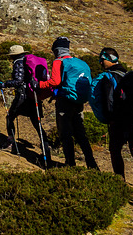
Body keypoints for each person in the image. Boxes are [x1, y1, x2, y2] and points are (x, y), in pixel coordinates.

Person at [97, 47, 133, 194]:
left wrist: (109, 118)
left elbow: (109, 100)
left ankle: (119, 183)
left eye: (102, 60)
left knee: (115, 151)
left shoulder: (108, 77)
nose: (100, 63)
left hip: (117, 121)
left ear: (108, 59)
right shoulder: (129, 75)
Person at [40, 36, 98, 169]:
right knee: (80, 134)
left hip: (65, 101)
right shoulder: (80, 63)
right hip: (78, 102)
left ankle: (70, 163)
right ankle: (92, 164)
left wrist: (40, 84)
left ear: (57, 50)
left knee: (65, 134)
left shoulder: (58, 62)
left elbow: (55, 82)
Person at [0, 45, 51, 158]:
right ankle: (46, 148)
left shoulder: (18, 62)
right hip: (34, 94)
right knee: (36, 123)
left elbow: (18, 81)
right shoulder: (29, 61)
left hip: (23, 96)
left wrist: (5, 84)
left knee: (10, 117)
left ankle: (10, 142)